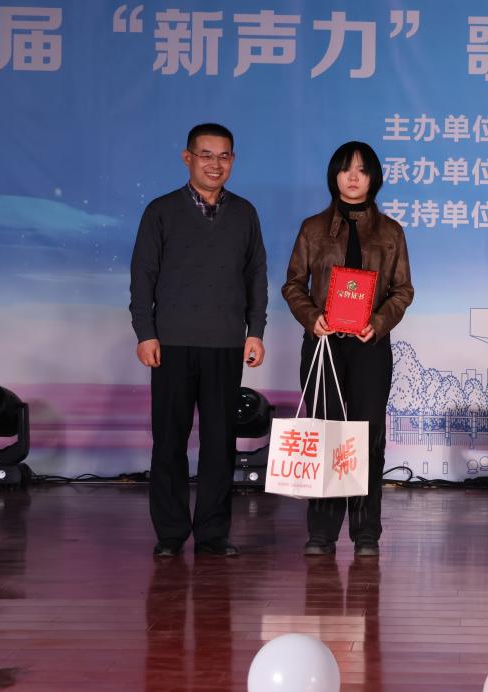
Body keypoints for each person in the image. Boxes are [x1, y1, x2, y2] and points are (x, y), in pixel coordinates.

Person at [130, 123, 268, 558]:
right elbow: (142, 276)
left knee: (219, 443)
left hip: (226, 343)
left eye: (224, 156)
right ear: (187, 157)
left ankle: (212, 532)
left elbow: (256, 275)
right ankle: (171, 533)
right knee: (169, 440)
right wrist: (145, 333)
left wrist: (256, 331)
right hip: (171, 342)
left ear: (233, 161)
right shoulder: (161, 211)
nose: (215, 164)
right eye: (206, 155)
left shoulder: (244, 213)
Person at [282, 141, 414, 557]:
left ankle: (366, 531)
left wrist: (378, 323)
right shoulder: (313, 228)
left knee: (367, 436)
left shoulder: (391, 232)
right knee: (326, 433)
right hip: (323, 345)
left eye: (362, 170)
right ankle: (321, 532)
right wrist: (311, 317)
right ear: (334, 176)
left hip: (369, 347)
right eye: (345, 169)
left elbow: (403, 290)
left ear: (374, 178)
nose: (353, 177)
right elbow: (293, 284)